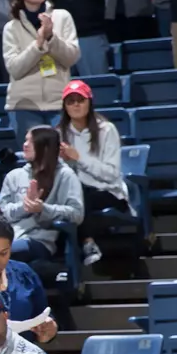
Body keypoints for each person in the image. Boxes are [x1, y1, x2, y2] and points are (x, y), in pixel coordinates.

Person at [56, 79, 128, 267]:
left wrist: (78, 157)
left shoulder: (106, 130)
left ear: (89, 102)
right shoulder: (60, 133)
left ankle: (87, 243)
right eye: (70, 101)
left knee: (78, 195)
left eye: (80, 100)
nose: (76, 105)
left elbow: (111, 174)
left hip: (107, 191)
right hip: (75, 190)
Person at [3, 0, 81, 137]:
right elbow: (15, 69)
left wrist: (51, 37)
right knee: (34, 159)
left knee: (61, 155)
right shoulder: (11, 28)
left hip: (58, 103)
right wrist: (38, 44)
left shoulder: (63, 17)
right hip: (24, 106)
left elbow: (71, 57)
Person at [0, 125, 85, 265]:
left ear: (45, 147)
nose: (25, 145)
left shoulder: (65, 175)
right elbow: (0, 214)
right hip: (8, 239)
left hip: (39, 241)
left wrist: (42, 209)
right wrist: (24, 207)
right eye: (25, 140)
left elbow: (76, 214)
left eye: (31, 142)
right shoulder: (13, 176)